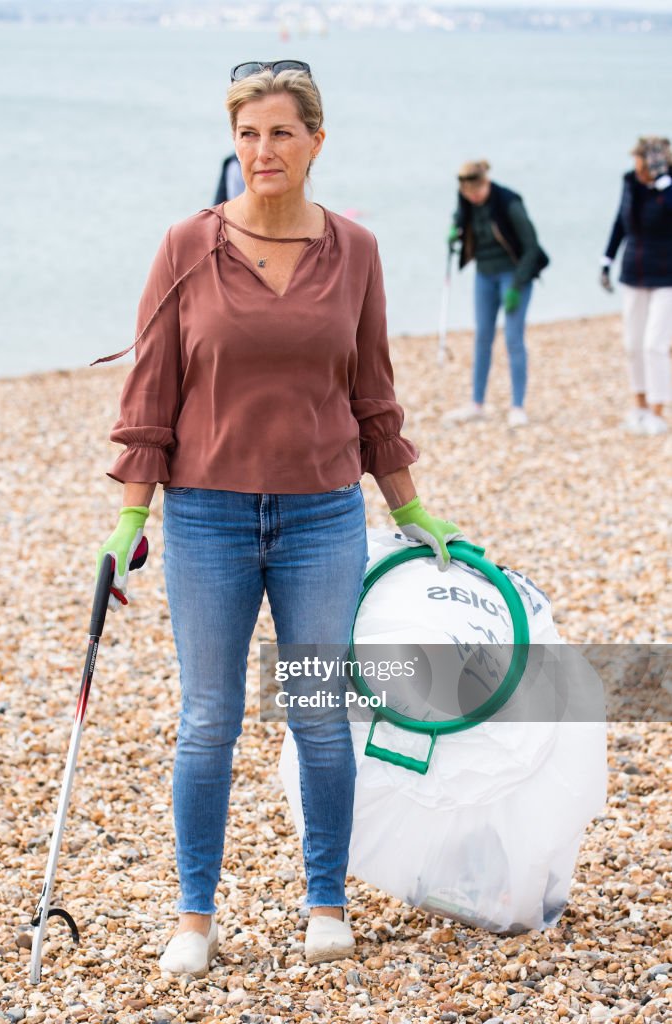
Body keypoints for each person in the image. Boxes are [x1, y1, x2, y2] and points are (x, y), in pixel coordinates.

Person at [94, 60, 461, 975]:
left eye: (281, 133)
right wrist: (126, 520)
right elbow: (150, 394)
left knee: (316, 713)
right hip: (208, 518)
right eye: (247, 134)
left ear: (316, 142)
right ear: (233, 142)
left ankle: (325, 902)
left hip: (321, 520)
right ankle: (193, 916)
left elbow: (372, 393)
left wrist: (411, 507)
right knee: (209, 718)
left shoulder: (357, 250)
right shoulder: (186, 244)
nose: (263, 151)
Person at [444, 160, 548, 428]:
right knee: (482, 337)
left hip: (514, 275)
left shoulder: (508, 203)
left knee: (513, 338)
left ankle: (518, 406)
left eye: (476, 193)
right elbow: (461, 219)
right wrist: (455, 231)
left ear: (485, 182)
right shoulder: (466, 199)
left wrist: (517, 285)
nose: (473, 198)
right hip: (484, 275)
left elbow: (532, 247)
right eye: (468, 194)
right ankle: (476, 403)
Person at [601, 135, 672, 436]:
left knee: (654, 344)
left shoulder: (668, 187)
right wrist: (607, 259)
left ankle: (659, 408)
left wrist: (665, 185)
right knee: (632, 343)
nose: (638, 168)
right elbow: (621, 220)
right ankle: (639, 404)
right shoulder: (630, 182)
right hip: (634, 272)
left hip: (667, 275)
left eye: (642, 162)